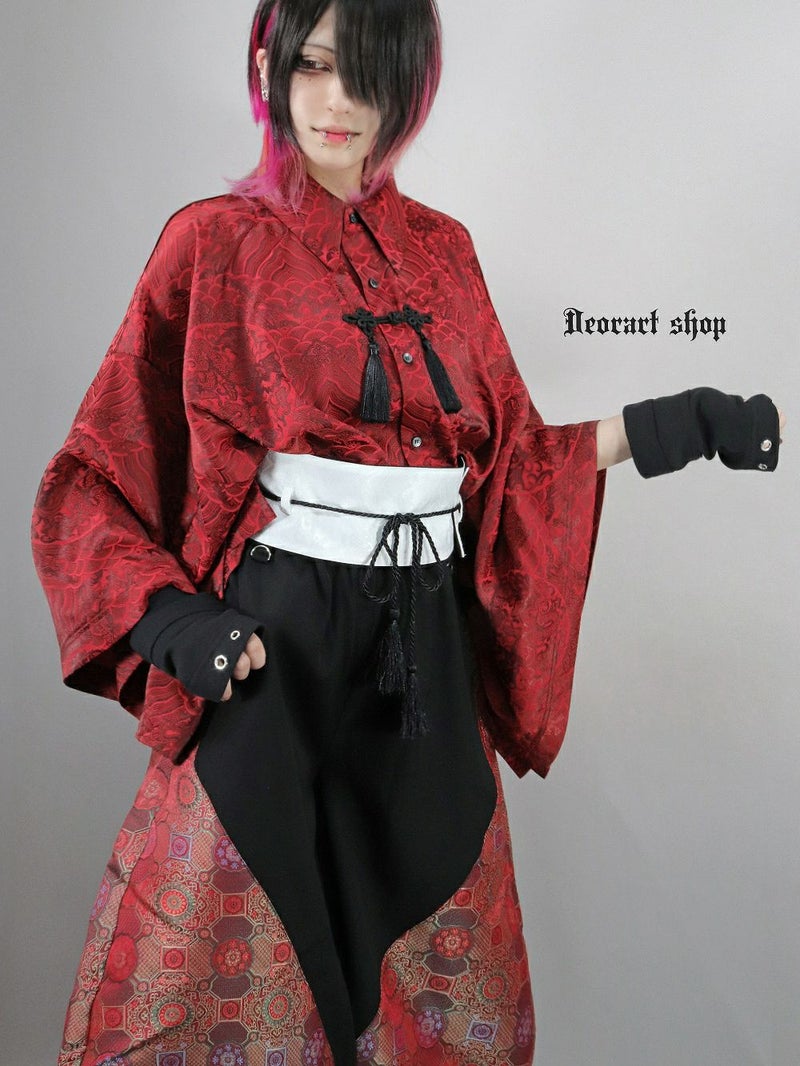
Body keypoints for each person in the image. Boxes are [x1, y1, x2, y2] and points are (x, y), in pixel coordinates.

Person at [31, 1, 785, 1063]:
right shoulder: (212, 242)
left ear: (411, 85)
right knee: (215, 975)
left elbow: (512, 468)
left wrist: (675, 426)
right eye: (313, 65)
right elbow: (94, 477)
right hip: (273, 652)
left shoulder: (444, 252)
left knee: (441, 990)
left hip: (420, 659)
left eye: (370, 73)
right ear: (268, 63)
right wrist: (171, 625)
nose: (338, 100)